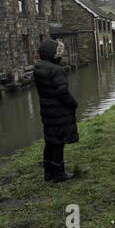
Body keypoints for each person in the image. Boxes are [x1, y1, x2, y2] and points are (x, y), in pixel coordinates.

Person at [34, 39, 78, 183]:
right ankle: (59, 174)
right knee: (59, 142)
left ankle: (48, 173)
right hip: (59, 112)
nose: (60, 56)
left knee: (50, 142)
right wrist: (73, 104)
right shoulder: (56, 70)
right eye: (58, 53)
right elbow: (62, 92)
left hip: (47, 111)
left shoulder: (38, 67)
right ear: (53, 54)